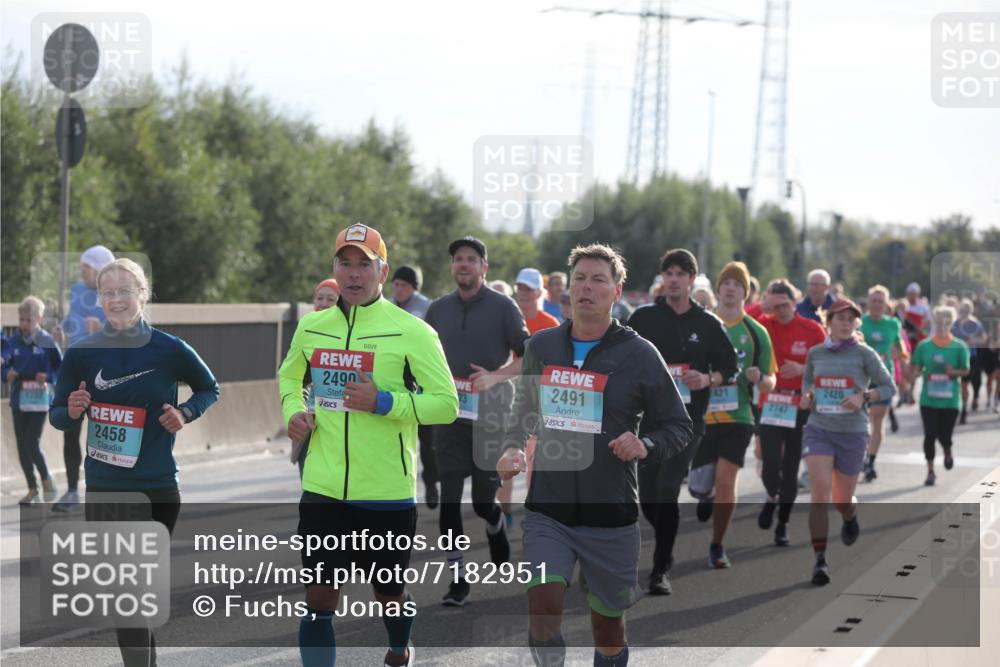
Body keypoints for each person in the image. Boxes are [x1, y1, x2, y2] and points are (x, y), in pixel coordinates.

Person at [497, 243, 692, 667]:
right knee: (543, 614)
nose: (587, 288)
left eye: (598, 280)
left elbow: (678, 426)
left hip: (611, 513)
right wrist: (513, 445)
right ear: (568, 289)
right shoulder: (543, 347)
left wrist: (646, 445)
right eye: (579, 279)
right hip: (550, 507)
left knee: (607, 631)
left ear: (616, 289)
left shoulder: (640, 354)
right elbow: (525, 411)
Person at [278, 223, 458, 667]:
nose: (354, 274)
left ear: (383, 270)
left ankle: (399, 649)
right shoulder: (313, 327)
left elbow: (446, 405)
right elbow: (288, 376)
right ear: (334, 268)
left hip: (384, 491)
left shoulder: (412, 331)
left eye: (365, 264)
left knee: (389, 593)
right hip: (322, 486)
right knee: (320, 595)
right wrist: (293, 412)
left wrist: (383, 402)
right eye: (345, 263)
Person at [50, 258, 220, 667]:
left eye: (125, 291)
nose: (116, 300)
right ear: (99, 300)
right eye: (108, 293)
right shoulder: (83, 353)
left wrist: (185, 413)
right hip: (106, 489)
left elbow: (208, 388)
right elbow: (58, 415)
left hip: (156, 487)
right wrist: (72, 409)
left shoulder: (170, 349)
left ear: (142, 295)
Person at [424, 236, 530, 606]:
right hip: (449, 417)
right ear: (452, 267)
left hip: (491, 416)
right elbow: (419, 356)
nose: (463, 265)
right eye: (458, 259)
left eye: (471, 259)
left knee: (485, 501)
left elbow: (529, 355)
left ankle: (495, 522)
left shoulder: (503, 307)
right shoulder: (438, 310)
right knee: (450, 500)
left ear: (484, 268)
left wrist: (497, 376)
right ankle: (458, 579)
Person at [627, 248, 738, 594]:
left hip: (687, 423)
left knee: (667, 488)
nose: (673, 280)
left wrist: (708, 380)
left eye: (680, 274)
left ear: (692, 280)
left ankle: (660, 569)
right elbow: (620, 355)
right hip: (646, 421)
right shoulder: (643, 318)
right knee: (647, 499)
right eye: (668, 274)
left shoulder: (708, 324)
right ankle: (664, 545)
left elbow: (729, 368)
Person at [798, 299, 896, 585]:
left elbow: (887, 386)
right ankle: (820, 560)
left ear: (856, 323)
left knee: (841, 500)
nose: (845, 323)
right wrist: (807, 397)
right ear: (829, 322)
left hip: (852, 432)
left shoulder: (864, 354)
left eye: (850, 319)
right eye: (839, 318)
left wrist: (863, 397)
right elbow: (808, 382)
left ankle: (850, 515)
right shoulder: (816, 353)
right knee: (819, 493)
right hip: (819, 428)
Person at [697, 262, 776, 568]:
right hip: (701, 417)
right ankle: (704, 494)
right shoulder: (702, 325)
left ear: (746, 292)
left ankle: (718, 545)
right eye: (725, 283)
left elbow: (772, 379)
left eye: (737, 284)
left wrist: (761, 379)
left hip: (738, 416)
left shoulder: (756, 333)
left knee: (726, 478)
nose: (730, 288)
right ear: (718, 290)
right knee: (700, 484)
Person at [755, 279, 826, 547]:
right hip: (771, 402)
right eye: (776, 306)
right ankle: (772, 496)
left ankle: (782, 523)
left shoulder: (811, 329)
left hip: (800, 406)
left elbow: (827, 363)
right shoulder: (763, 324)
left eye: (785, 305)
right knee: (769, 463)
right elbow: (739, 317)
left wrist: (802, 369)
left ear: (794, 303)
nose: (780, 311)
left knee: (791, 465)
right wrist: (764, 304)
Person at [50, 244, 115, 512]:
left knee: (102, 436)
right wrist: (60, 329)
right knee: (70, 430)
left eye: (86, 267)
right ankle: (73, 491)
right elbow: (71, 318)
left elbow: (127, 329)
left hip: (103, 371)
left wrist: (103, 328)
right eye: (82, 267)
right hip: (74, 369)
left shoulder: (111, 295)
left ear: (100, 268)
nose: (82, 272)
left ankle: (106, 492)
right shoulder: (77, 291)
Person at [500, 268, 561, 526]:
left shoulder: (550, 325)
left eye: (528, 289)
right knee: (507, 452)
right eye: (520, 289)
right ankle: (505, 511)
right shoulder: (507, 320)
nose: (523, 294)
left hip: (536, 399)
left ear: (539, 292)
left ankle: (532, 511)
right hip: (505, 396)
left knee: (532, 456)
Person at [4, 296, 63, 505]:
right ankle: (32, 489)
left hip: (40, 398)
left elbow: (60, 367)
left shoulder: (47, 341)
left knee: (32, 442)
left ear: (38, 319)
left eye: (28, 320)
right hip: (19, 397)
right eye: (21, 320)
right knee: (21, 446)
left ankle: (47, 479)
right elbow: (4, 364)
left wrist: (47, 377)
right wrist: (7, 374)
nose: (23, 325)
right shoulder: (13, 341)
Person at [390, 265, 439, 507]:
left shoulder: (427, 308)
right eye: (396, 284)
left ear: (414, 288)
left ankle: (430, 481)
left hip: (421, 381)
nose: (399, 289)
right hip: (395, 380)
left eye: (404, 285)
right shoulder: (385, 306)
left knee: (427, 441)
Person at [908, 305, 970, 486]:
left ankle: (948, 450)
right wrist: (915, 374)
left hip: (950, 401)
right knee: (930, 435)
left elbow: (966, 370)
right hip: (928, 400)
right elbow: (916, 368)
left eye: (946, 323)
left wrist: (954, 372)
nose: (942, 326)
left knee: (944, 436)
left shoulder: (959, 346)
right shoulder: (924, 346)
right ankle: (930, 471)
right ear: (934, 323)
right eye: (939, 323)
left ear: (952, 324)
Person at [290, 279, 341, 478]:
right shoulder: (306, 330)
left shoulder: (351, 336)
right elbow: (291, 375)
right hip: (310, 424)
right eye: (319, 298)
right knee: (311, 484)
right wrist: (298, 411)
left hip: (338, 425)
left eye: (331, 298)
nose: (324, 303)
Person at [858, 285, 909, 482]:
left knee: (877, 419)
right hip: (860, 378)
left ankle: (870, 461)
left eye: (881, 301)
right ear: (868, 303)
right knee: (862, 421)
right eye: (874, 301)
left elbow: (899, 344)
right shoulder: (860, 322)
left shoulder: (893, 323)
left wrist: (902, 358)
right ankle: (861, 453)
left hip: (882, 378)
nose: (877, 304)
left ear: (887, 304)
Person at [952, 298, 988, 424]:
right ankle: (961, 408)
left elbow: (983, 339)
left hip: (971, 357)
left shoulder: (976, 324)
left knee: (967, 384)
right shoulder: (955, 324)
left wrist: (973, 341)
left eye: (967, 310)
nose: (965, 312)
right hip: (956, 357)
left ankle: (965, 407)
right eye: (963, 309)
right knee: (961, 385)